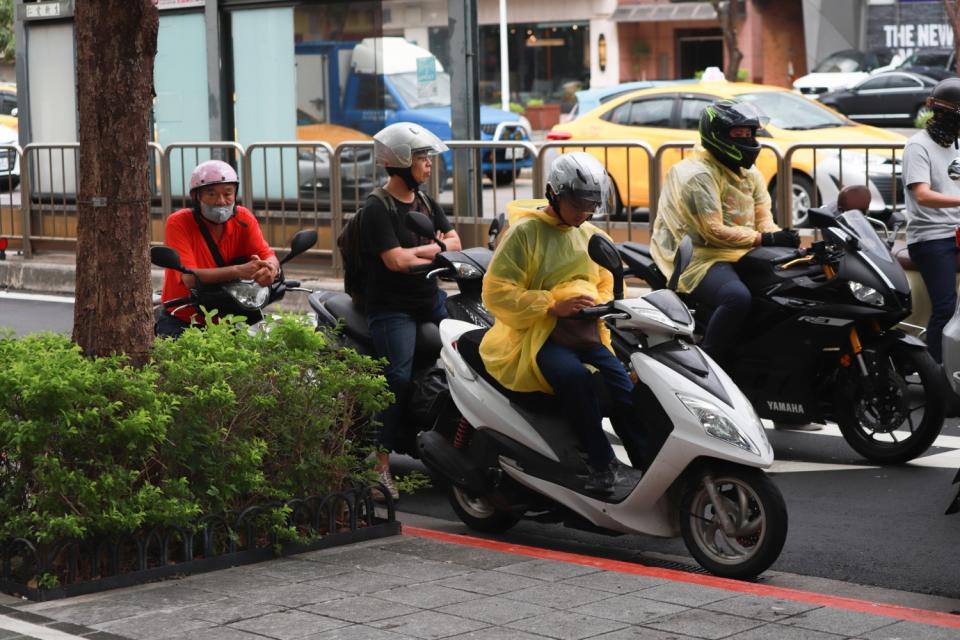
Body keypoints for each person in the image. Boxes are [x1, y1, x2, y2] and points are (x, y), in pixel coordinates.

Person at [479, 151, 639, 494]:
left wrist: (594, 303)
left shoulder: (591, 234)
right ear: (555, 194)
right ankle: (600, 464)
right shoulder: (524, 234)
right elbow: (497, 293)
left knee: (625, 390)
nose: (586, 213)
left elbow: (607, 280)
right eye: (580, 204)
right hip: (535, 335)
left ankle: (648, 462)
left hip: (585, 331)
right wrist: (552, 305)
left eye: (591, 206)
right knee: (574, 377)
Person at [651, 99, 799, 368]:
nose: (747, 138)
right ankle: (708, 365)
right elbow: (713, 232)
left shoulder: (749, 173)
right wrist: (763, 239)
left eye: (749, 132)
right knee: (737, 298)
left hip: (739, 250)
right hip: (697, 255)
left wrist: (783, 242)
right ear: (717, 135)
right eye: (738, 133)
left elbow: (764, 217)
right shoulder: (699, 175)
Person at [360, 122, 461, 500]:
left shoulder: (425, 203)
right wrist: (434, 250)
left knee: (474, 349)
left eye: (428, 157)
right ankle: (379, 465)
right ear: (400, 162)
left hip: (429, 298)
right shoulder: (377, 209)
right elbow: (395, 261)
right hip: (393, 308)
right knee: (397, 377)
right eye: (422, 157)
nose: (428, 164)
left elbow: (454, 241)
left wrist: (429, 251)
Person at [157, 160, 279, 338]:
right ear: (197, 197)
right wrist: (239, 270)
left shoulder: (244, 218)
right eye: (211, 194)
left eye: (227, 193)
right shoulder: (179, 222)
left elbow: (267, 254)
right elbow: (190, 278)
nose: (221, 201)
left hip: (233, 317)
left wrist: (271, 268)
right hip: (185, 318)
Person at [903, 77, 960, 363]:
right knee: (946, 308)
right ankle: (939, 375)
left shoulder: (955, 145)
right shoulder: (918, 147)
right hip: (931, 237)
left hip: (956, 231)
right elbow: (923, 195)